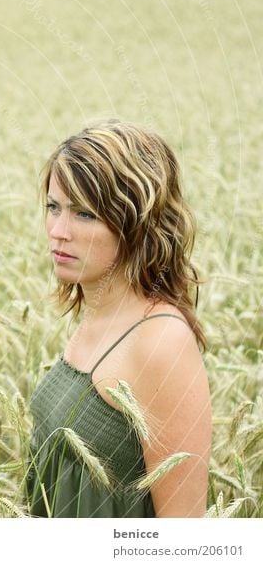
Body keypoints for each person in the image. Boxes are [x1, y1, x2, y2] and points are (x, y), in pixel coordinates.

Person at [23, 119, 212, 517]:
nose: (58, 230)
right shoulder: (98, 316)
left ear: (136, 223)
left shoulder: (160, 340)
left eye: (85, 214)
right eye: (54, 208)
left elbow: (184, 535)